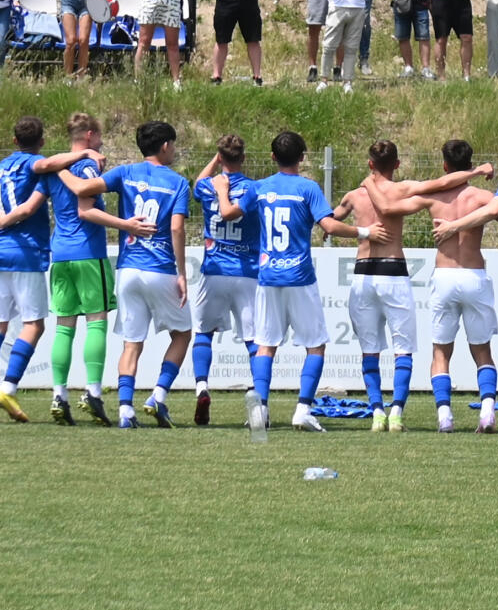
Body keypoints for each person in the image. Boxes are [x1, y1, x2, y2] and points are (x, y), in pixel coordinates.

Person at [214, 130, 364, 434]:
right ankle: (303, 410)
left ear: (272, 157)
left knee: (265, 345)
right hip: (300, 277)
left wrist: (221, 189)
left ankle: (261, 409)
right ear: (303, 157)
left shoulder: (259, 187)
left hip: (268, 277)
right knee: (315, 345)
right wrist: (364, 232)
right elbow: (329, 225)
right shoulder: (308, 188)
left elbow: (228, 213)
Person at [334, 140, 489, 431]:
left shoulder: (354, 195)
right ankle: (396, 413)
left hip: (364, 272)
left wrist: (361, 231)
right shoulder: (403, 188)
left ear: (370, 164)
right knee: (403, 348)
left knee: (370, 349)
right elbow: (443, 182)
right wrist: (476, 171)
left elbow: (328, 222)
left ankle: (377, 411)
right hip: (393, 271)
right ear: (397, 164)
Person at [0, 118, 105, 423]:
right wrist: (84, 153)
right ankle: (8, 388)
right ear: (42, 142)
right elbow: (35, 191)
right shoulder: (35, 165)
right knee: (34, 325)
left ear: (14, 140)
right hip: (25, 252)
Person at [66, 120, 192, 428]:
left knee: (132, 343)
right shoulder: (178, 183)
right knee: (183, 334)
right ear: (165, 146)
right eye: (173, 145)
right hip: (160, 269)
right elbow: (176, 228)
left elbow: (81, 189)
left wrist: (56, 168)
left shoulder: (125, 172)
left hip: (128, 269)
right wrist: (181, 272)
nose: (174, 150)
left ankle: (125, 410)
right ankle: (158, 396)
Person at [43, 112, 128, 426]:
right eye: (100, 136)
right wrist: (125, 225)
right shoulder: (86, 166)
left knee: (64, 327)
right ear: (90, 135)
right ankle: (93, 392)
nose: (102, 143)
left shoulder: (55, 168)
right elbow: (86, 208)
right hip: (88, 253)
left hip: (60, 254)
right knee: (96, 322)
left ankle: (59, 394)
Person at [190, 135, 262, 427]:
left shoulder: (209, 186)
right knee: (254, 340)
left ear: (220, 158)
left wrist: (216, 163)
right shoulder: (253, 189)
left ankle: (202, 386)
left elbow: (197, 183)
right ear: (243, 158)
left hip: (214, 270)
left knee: (203, 332)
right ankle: (259, 400)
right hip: (247, 272)